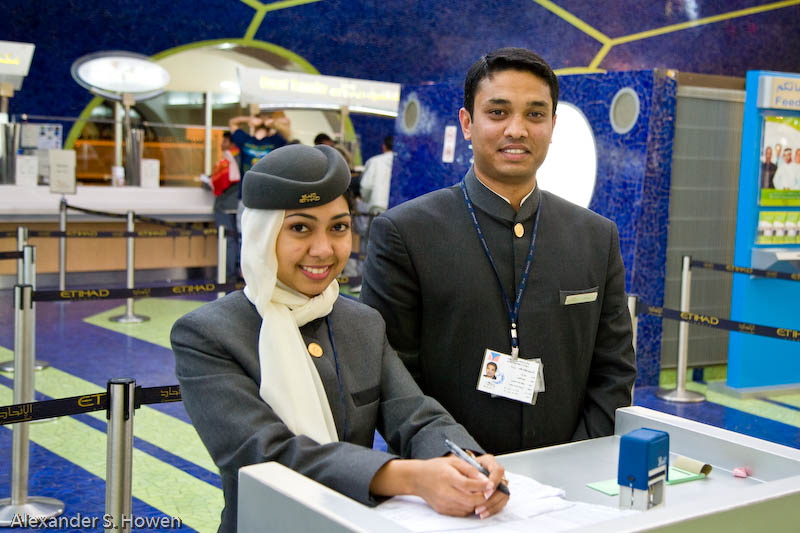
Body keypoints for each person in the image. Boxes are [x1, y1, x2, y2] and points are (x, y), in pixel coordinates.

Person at [171, 144, 509, 532]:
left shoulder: (360, 323)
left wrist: (469, 461)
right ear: (262, 235)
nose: (324, 250)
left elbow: (415, 414)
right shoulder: (210, 334)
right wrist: (410, 477)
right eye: (300, 228)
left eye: (339, 227)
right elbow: (264, 453)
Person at [360, 47, 637, 455]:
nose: (517, 129)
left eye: (535, 114)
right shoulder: (406, 233)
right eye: (498, 112)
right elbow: (391, 375)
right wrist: (456, 465)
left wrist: (577, 460)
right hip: (448, 482)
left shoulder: (595, 236)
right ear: (467, 123)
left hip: (568, 486)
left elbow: (614, 369)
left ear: (553, 126)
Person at [208, 132, 241, 280]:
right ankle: (236, 271)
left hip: (225, 205)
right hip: (238, 205)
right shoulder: (243, 158)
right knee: (237, 239)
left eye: (224, 141)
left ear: (230, 142)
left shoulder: (229, 159)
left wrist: (210, 180)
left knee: (228, 241)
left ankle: (228, 275)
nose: (221, 144)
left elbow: (223, 181)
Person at [360, 135, 395, 212]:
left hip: (378, 206)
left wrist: (365, 200)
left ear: (384, 146)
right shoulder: (401, 163)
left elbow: (366, 186)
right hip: (398, 206)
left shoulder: (374, 161)